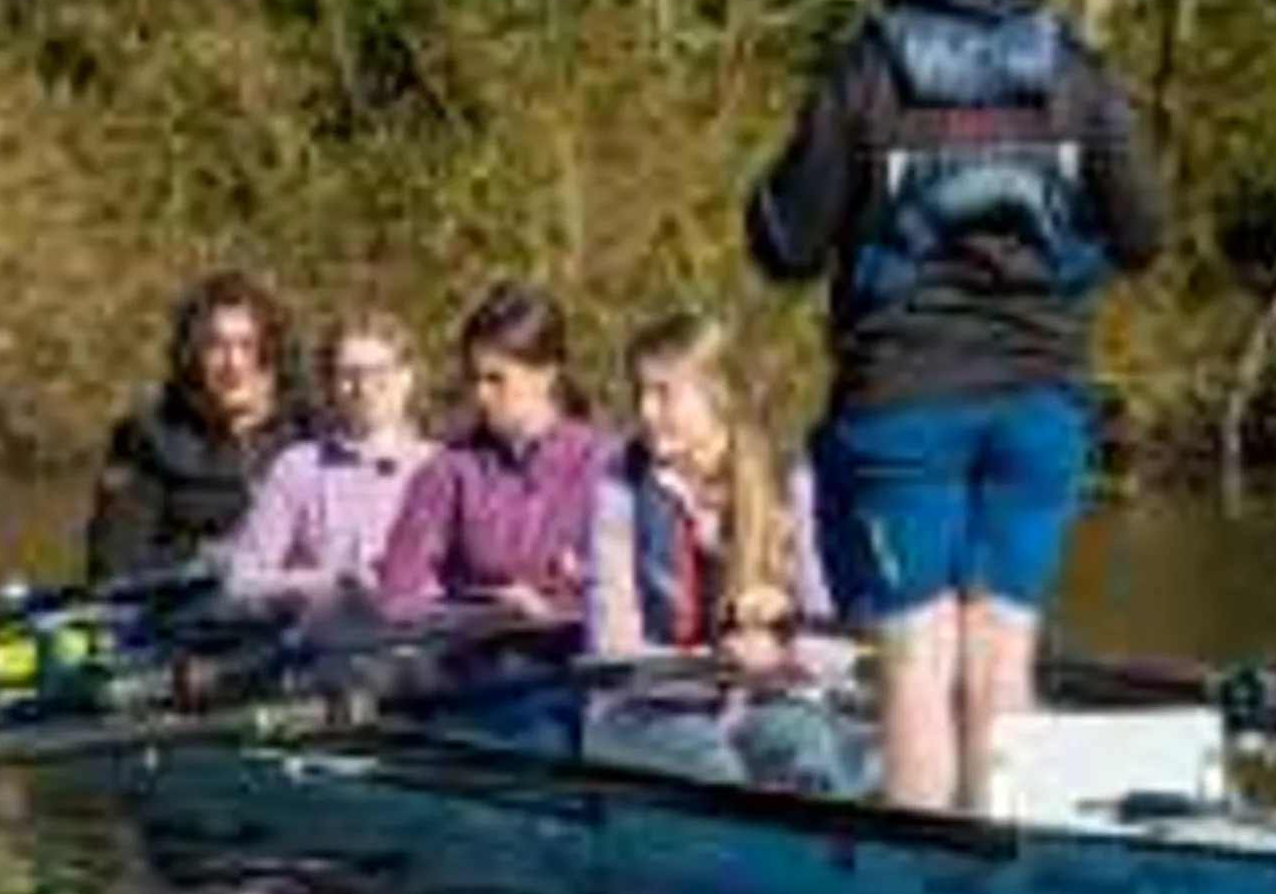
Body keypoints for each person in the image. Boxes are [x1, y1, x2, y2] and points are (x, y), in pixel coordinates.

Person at [744, 0, 1165, 814]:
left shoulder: (863, 72)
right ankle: (1003, 885)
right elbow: (1142, 233)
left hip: (902, 406)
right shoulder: (1075, 68)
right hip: (1040, 403)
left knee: (916, 658)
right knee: (999, 650)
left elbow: (782, 246)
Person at [584, 311, 864, 794]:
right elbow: (613, 648)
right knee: (712, 766)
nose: (646, 411)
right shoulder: (620, 489)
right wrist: (719, 658)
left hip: (764, 699)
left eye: (664, 393)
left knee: (806, 755)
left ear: (716, 395)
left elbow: (833, 648)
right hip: (642, 707)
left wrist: (783, 641)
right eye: (640, 393)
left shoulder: (791, 483)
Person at [375, 281, 613, 625]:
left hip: (579, 665)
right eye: (474, 378)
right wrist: (481, 609)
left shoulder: (606, 465)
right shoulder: (447, 472)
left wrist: (557, 613)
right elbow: (398, 594)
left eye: (496, 379)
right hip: (472, 667)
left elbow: (635, 599)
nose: (480, 394)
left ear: (545, 375)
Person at [84, 270, 309, 580]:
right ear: (192, 356)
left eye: (248, 346)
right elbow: (112, 568)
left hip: (299, 608)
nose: (234, 364)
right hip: (185, 608)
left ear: (271, 354)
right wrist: (215, 559)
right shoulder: (148, 437)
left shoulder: (311, 430)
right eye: (215, 346)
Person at [224, 310, 434, 613]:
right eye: (348, 374)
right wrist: (329, 582)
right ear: (330, 384)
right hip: (325, 648)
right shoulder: (298, 468)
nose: (363, 388)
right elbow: (242, 580)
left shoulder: (441, 468)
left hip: (426, 646)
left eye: (379, 373)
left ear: (407, 378)